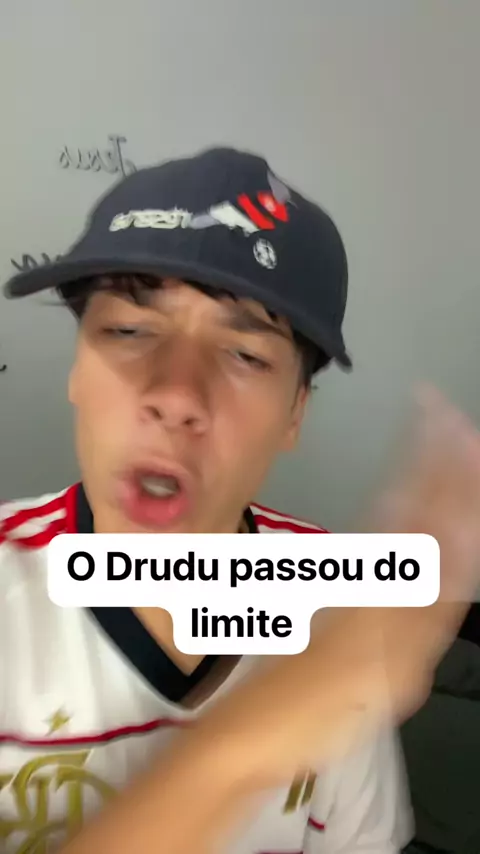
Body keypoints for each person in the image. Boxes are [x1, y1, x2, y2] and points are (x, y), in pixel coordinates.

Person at [2, 146, 480, 854]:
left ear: (295, 413)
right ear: (76, 369)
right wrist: (250, 744)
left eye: (246, 355)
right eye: (129, 330)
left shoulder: (334, 608)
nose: (176, 395)